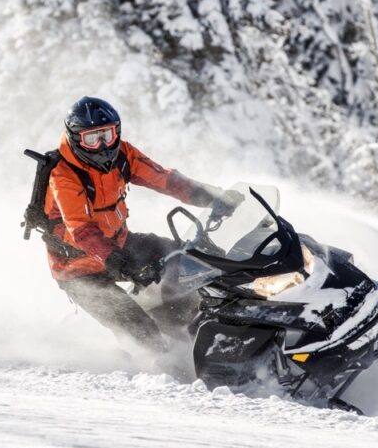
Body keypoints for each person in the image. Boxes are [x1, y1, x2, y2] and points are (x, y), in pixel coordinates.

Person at [43, 96, 242, 351]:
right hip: (78, 269)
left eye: (108, 134)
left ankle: (190, 323)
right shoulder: (64, 175)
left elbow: (164, 179)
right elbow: (81, 230)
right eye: (92, 139)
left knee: (186, 260)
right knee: (141, 331)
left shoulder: (123, 154)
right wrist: (119, 262)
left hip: (119, 244)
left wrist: (212, 197)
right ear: (75, 138)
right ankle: (159, 368)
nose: (103, 145)